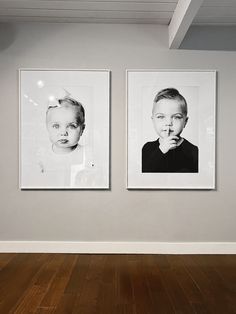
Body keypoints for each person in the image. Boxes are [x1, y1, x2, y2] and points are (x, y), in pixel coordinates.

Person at [142, 88, 198, 173]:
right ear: (153, 120)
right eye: (161, 117)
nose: (168, 123)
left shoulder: (193, 151)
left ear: (185, 122)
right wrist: (161, 150)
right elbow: (143, 176)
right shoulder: (147, 148)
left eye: (176, 117)